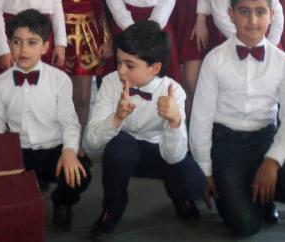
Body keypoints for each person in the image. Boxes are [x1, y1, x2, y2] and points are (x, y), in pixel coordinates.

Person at [190, 0, 285, 237]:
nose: (252, 21)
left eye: (260, 12)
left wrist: (272, 161)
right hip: (226, 142)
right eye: (244, 11)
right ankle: (248, 191)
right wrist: (205, 168)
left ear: (271, 15)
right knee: (245, 227)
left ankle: (261, 189)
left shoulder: (283, 62)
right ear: (231, 14)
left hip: (265, 137)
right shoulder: (214, 60)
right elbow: (201, 117)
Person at [84, 20, 206, 237]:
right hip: (124, 154)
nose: (121, 70)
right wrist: (116, 119)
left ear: (155, 68)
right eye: (118, 62)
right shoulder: (111, 83)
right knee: (119, 147)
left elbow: (174, 156)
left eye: (129, 65)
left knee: (194, 184)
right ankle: (113, 206)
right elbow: (91, 145)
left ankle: (178, 195)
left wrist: (174, 122)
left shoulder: (174, 92)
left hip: (160, 152)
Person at [0, 10, 89, 232]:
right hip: (19, 151)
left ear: (45, 47)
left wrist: (69, 151)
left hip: (52, 148)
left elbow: (70, 122)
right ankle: (26, 192)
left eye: (32, 42)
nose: (23, 49)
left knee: (81, 175)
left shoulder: (60, 80)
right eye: (17, 42)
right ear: (9, 44)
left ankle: (62, 202)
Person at [53, 0, 113, 144]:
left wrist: (106, 38)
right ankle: (60, 143)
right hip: (59, 34)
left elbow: (98, 3)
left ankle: (78, 144)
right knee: (59, 95)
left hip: (86, 36)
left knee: (83, 96)